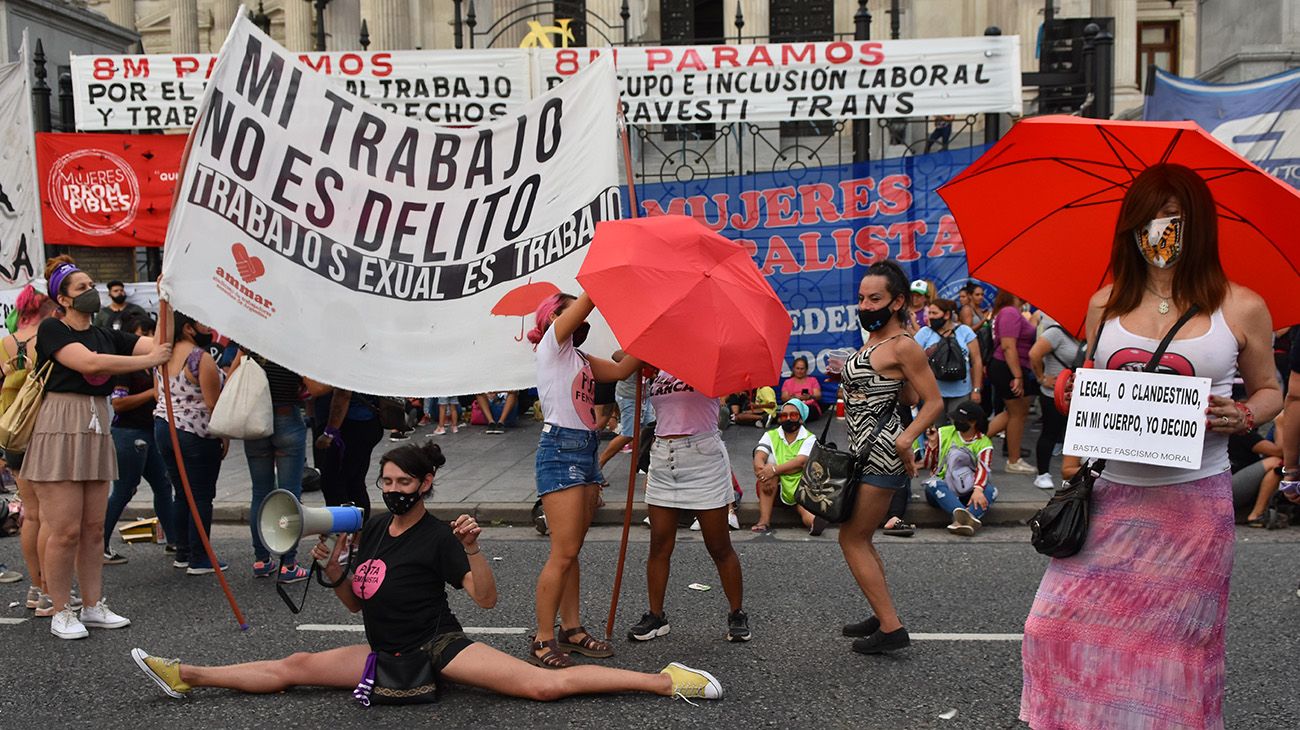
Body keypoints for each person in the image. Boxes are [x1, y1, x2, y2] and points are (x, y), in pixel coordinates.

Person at [131, 440, 723, 703]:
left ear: (425, 485)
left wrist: (472, 550)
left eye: (403, 484)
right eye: (386, 483)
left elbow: (486, 603)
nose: (393, 491)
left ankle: (667, 681)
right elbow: (358, 608)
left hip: (439, 646)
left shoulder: (439, 535)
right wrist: (335, 569)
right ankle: (187, 674)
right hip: (382, 650)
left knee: (544, 686)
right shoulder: (366, 531)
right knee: (293, 668)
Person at [1020, 164, 1282, 729]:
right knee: (1052, 630)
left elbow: (1271, 391)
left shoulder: (1241, 306)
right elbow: (1092, 376)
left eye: (1174, 216)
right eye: (1149, 216)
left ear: (1200, 225)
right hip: (1111, 498)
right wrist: (1073, 390)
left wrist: (1242, 414)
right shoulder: (1104, 302)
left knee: (1175, 656)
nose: (1160, 229)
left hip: (1193, 508)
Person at [27, 258, 171, 639]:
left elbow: (159, 344)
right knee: (64, 530)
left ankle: (92, 605)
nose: (92, 291)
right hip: (60, 425)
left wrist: (165, 299)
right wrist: (146, 360)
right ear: (63, 298)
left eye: (93, 283)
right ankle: (60, 609)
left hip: (96, 426)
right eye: (81, 287)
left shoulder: (107, 332)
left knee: (92, 528)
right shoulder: (52, 329)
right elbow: (87, 362)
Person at [528, 293, 641, 668]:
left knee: (570, 549)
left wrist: (651, 336)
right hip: (560, 449)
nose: (579, 315)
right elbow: (588, 304)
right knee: (562, 553)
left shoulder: (579, 359)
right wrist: (597, 282)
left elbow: (622, 371)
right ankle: (543, 638)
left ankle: (571, 630)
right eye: (568, 309)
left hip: (586, 448)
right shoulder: (551, 345)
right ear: (552, 319)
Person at [835, 260, 942, 655]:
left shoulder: (903, 345)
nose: (865, 305)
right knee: (861, 536)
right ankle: (881, 615)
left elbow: (932, 402)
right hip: (863, 450)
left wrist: (907, 439)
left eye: (874, 298)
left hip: (881, 453)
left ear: (897, 301)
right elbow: (908, 395)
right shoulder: (878, 342)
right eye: (862, 298)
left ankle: (891, 627)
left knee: (852, 538)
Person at [627, 366, 749, 644]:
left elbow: (731, 384)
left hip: (703, 457)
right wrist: (641, 361)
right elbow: (619, 359)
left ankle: (737, 613)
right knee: (659, 543)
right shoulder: (656, 366)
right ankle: (656, 616)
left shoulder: (707, 362)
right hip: (663, 457)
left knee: (718, 544)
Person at [153, 311, 226, 578]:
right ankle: (200, 557)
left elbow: (156, 393)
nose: (208, 326)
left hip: (164, 427)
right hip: (195, 432)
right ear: (188, 328)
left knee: (181, 493)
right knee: (202, 496)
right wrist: (224, 436)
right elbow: (212, 404)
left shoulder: (161, 355)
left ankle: (183, 552)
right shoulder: (199, 358)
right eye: (202, 322)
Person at [103, 312, 175, 564]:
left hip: (149, 432)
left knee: (163, 486)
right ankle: (99, 544)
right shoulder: (126, 367)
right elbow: (119, 403)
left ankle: (175, 540)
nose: (146, 339)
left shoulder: (153, 365)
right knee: (124, 489)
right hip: (128, 434)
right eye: (140, 335)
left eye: (149, 333)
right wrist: (150, 393)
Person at [1, 283, 57, 614]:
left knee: (30, 514)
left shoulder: (6, 343)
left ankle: (36, 589)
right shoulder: (49, 338)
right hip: (43, 430)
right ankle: (53, 588)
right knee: (52, 515)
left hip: (12, 432)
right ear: (48, 308)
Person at [235, 351, 310, 583]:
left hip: (256, 422)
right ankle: (288, 564)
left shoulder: (248, 341)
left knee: (260, 492)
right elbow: (316, 388)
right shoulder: (291, 343)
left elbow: (232, 378)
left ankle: (261, 560)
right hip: (287, 419)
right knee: (289, 493)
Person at [922, 401, 996, 536]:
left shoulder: (984, 443)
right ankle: (964, 517)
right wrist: (932, 444)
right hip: (944, 486)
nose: (955, 421)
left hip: (969, 490)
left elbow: (983, 469)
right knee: (933, 484)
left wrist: (978, 490)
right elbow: (928, 464)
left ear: (973, 422)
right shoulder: (943, 433)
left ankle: (960, 522)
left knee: (991, 491)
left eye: (960, 419)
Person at [985, 289, 1037, 474]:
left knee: (1016, 412)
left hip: (1012, 367)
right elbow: (1008, 346)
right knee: (1016, 413)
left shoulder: (1013, 311)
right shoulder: (1009, 312)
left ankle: (973, 443)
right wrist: (1017, 376)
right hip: (1007, 368)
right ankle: (1013, 461)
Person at [311, 387, 384, 518]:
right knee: (353, 482)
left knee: (334, 483)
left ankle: (344, 531)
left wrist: (329, 432)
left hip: (349, 426)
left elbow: (342, 394)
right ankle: (358, 531)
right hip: (366, 421)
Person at [1028, 313, 1081, 490]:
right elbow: (1034, 354)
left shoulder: (1088, 335)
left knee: (1072, 435)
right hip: (1054, 394)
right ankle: (1042, 473)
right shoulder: (1056, 333)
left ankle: (1070, 473)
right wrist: (1042, 378)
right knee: (1050, 433)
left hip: (1077, 395)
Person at [752, 399, 818, 534]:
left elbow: (801, 462)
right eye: (784, 415)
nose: (788, 418)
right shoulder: (771, 435)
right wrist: (762, 471)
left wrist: (774, 470)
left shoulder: (809, 438)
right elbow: (759, 455)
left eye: (793, 415)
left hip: (801, 488)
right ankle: (764, 521)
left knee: (805, 512)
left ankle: (814, 523)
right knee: (767, 467)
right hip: (772, 489)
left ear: (801, 418)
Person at [914, 297, 983, 420]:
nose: (931, 317)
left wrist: (976, 389)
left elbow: (977, 361)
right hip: (932, 393)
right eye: (929, 313)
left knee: (958, 428)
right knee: (934, 430)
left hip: (961, 391)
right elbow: (913, 361)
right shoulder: (925, 332)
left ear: (946, 315)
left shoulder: (964, 331)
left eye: (935, 313)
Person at [598, 351, 653, 468]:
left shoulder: (656, 351)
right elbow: (615, 355)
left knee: (650, 429)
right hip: (629, 396)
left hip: (644, 396)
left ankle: (643, 463)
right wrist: (639, 361)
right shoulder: (636, 348)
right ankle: (599, 464)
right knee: (629, 434)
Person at [1228, 413, 1284, 526]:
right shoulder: (1241, 432)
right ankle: (1256, 514)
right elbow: (1280, 451)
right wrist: (1280, 424)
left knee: (1272, 468)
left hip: (1218, 487)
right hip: (1228, 489)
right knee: (1276, 463)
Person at [779, 356, 823, 421]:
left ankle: (795, 418)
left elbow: (818, 395)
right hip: (793, 406)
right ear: (793, 369)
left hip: (809, 406)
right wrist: (794, 398)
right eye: (797, 368)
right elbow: (784, 398)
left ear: (806, 369)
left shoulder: (813, 380)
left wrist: (810, 396)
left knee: (810, 410)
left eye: (802, 369)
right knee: (789, 410)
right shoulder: (787, 382)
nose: (799, 371)